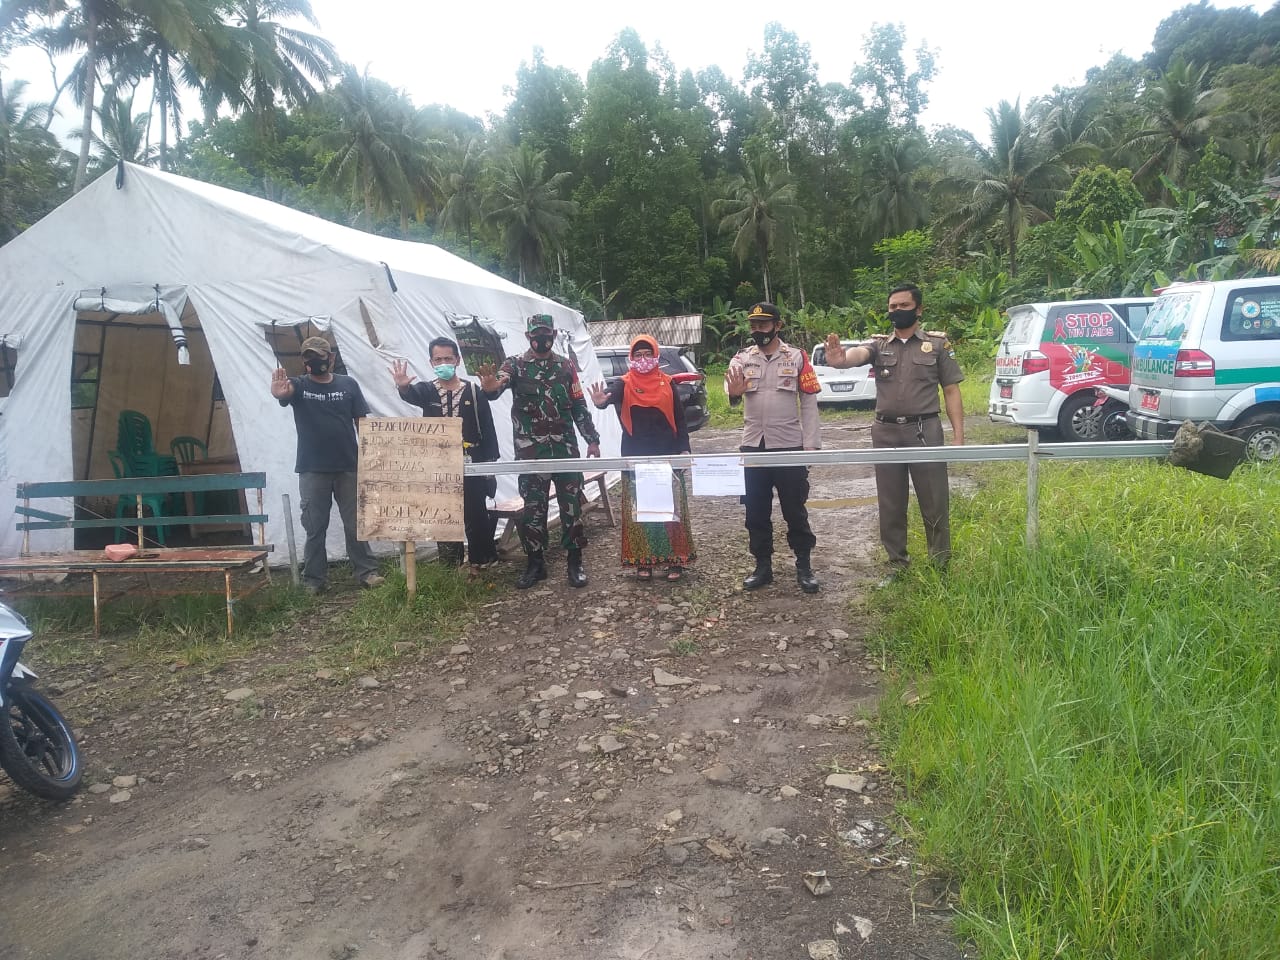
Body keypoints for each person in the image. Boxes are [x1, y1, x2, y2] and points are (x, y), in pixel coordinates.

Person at [823, 282, 965, 570]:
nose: (897, 310)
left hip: (924, 430)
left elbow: (951, 390)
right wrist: (841, 360)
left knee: (934, 500)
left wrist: (959, 438)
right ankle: (897, 563)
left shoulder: (938, 345)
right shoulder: (879, 345)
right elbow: (857, 355)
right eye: (892, 306)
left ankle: (940, 565)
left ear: (918, 309)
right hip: (886, 433)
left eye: (904, 305)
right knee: (890, 503)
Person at [477, 315, 601, 589]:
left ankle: (575, 561)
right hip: (531, 453)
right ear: (527, 336)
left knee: (571, 507)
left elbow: (578, 405)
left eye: (546, 333)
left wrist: (592, 439)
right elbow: (498, 385)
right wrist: (490, 388)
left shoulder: (566, 366)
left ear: (554, 334)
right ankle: (535, 563)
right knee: (533, 509)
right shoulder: (515, 365)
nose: (541, 339)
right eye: (536, 334)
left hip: (565, 450)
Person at [270, 336, 384, 594]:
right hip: (312, 468)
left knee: (356, 523)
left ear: (331, 358)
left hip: (349, 466)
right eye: (309, 357)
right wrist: (280, 394)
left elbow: (361, 422)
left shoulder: (348, 384)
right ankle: (314, 580)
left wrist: (370, 456)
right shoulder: (298, 385)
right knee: (314, 526)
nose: (315, 361)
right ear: (304, 361)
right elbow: (285, 393)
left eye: (319, 356)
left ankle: (367, 572)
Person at [724, 302, 822, 594]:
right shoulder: (742, 358)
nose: (758, 330)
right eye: (754, 325)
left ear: (778, 326)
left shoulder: (797, 357)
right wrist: (733, 395)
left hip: (788, 445)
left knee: (795, 509)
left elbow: (809, 402)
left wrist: (811, 446)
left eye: (763, 324)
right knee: (755, 510)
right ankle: (762, 566)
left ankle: (804, 565)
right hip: (753, 446)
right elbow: (731, 390)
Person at [589, 335, 696, 582]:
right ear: (631, 358)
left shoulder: (667, 383)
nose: (643, 359)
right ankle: (643, 561)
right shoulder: (624, 383)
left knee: (671, 509)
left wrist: (684, 449)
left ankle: (674, 560)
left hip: (667, 455)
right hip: (636, 457)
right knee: (641, 510)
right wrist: (602, 401)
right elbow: (609, 395)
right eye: (638, 355)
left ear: (656, 355)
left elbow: (679, 420)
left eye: (648, 354)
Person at [390, 337, 500, 575]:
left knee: (475, 511)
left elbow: (487, 427)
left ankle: (480, 563)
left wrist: (490, 464)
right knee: (443, 514)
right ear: (431, 362)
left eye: (448, 358)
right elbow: (410, 394)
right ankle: (450, 566)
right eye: (438, 359)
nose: (443, 363)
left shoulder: (473, 391)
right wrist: (403, 387)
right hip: (438, 464)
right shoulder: (427, 390)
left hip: (470, 461)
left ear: (457, 360)